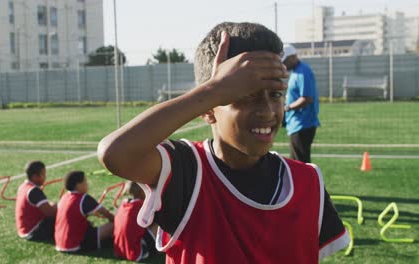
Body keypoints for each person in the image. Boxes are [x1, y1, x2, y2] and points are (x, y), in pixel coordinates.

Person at [97, 22, 349, 263]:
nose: (267, 110)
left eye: (276, 94)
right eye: (246, 95)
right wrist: (213, 91)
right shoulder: (186, 172)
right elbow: (116, 153)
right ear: (208, 109)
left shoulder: (308, 182)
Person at [54, 171, 114, 253]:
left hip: (60, 243)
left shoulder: (64, 197)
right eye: (85, 181)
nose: (87, 184)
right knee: (114, 225)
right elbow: (108, 215)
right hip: (76, 245)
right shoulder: (83, 198)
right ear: (78, 185)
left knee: (89, 225)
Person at [282, 43, 320, 163]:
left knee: (300, 163)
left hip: (302, 124)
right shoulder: (297, 71)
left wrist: (287, 108)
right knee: (297, 161)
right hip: (297, 123)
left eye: (285, 61)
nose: (283, 64)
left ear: (293, 57)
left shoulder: (302, 72)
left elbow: (306, 98)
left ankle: (312, 182)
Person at [113, 181, 157, 261]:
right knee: (159, 223)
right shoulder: (140, 206)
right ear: (141, 191)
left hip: (120, 249)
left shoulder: (123, 204)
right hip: (136, 252)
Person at [15, 161, 57, 241]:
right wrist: (60, 205)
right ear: (35, 176)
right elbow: (50, 213)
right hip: (33, 231)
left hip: (24, 229)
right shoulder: (34, 191)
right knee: (64, 217)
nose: (45, 177)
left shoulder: (23, 186)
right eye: (43, 174)